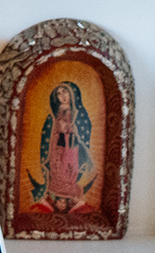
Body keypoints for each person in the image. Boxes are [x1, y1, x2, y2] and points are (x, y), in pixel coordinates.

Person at [39, 80, 94, 212]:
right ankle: (53, 198)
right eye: (58, 94)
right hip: (58, 145)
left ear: (71, 93)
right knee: (57, 168)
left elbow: (84, 128)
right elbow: (51, 130)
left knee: (68, 169)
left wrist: (71, 128)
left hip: (72, 146)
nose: (62, 96)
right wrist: (59, 128)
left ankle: (73, 199)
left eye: (65, 92)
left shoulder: (79, 112)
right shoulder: (57, 112)